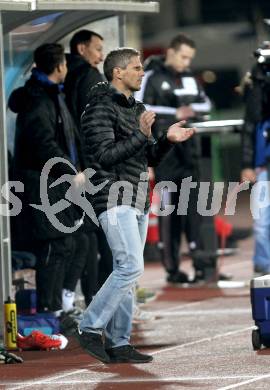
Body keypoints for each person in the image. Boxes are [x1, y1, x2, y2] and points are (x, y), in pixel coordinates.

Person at [77, 47, 195, 364]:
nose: (142, 73)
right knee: (130, 266)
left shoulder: (136, 107)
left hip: (137, 196)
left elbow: (146, 156)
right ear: (118, 72)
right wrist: (142, 135)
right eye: (136, 68)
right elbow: (104, 156)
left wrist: (167, 140)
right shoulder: (98, 108)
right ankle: (89, 326)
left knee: (127, 272)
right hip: (113, 195)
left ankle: (118, 342)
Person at [9, 43, 86, 318]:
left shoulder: (53, 95)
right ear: (59, 67)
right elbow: (44, 144)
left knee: (73, 242)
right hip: (42, 183)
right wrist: (71, 171)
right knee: (55, 244)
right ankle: (49, 310)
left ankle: (59, 307)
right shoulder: (38, 100)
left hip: (56, 181)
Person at [136, 33, 217, 284]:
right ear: (170, 52)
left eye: (189, 58)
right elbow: (139, 106)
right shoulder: (151, 75)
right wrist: (174, 112)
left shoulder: (191, 77)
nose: (186, 62)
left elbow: (206, 104)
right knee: (170, 212)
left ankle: (201, 263)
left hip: (190, 154)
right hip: (165, 156)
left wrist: (190, 110)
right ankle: (172, 268)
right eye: (183, 56)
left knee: (194, 210)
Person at [64, 29, 113, 306]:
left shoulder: (66, 75)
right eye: (97, 49)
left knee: (87, 233)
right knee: (100, 233)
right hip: (91, 167)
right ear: (82, 49)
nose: (100, 55)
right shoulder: (91, 77)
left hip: (74, 166)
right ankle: (103, 299)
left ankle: (90, 296)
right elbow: (94, 126)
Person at [241, 43, 270, 275]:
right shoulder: (259, 76)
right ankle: (263, 268)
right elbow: (250, 123)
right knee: (262, 223)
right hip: (264, 163)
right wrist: (247, 164)